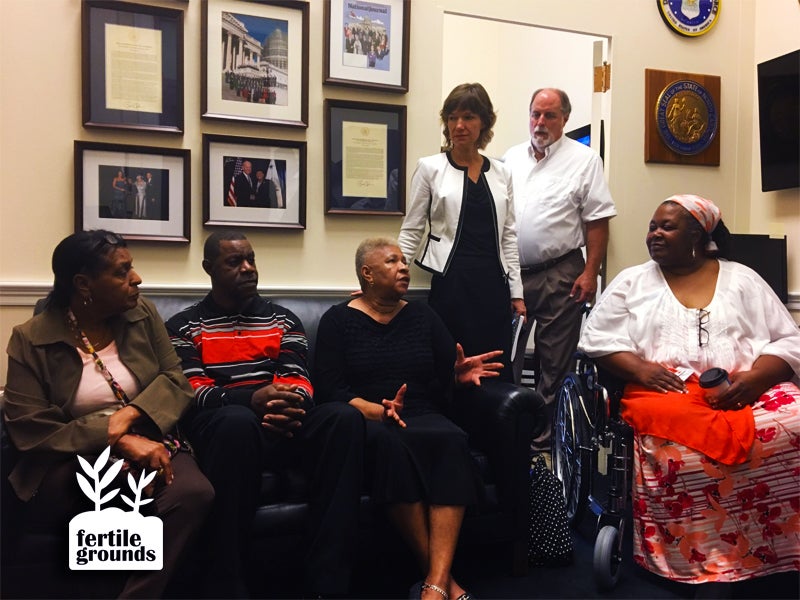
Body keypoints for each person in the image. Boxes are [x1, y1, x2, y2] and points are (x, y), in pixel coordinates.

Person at [579, 195, 800, 595]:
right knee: (680, 454)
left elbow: (788, 340)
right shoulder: (632, 281)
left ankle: (773, 552)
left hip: (743, 386)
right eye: (652, 227)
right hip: (665, 390)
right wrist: (641, 369)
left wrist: (753, 381)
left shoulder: (743, 279)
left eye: (667, 227)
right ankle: (707, 561)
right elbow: (595, 338)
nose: (655, 235)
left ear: (698, 234)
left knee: (793, 425)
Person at [3, 230, 214, 598]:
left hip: (153, 438)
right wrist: (113, 437)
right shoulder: (30, 337)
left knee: (194, 492)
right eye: (122, 271)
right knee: (114, 489)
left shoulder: (141, 312)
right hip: (68, 459)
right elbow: (29, 426)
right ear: (84, 284)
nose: (137, 279)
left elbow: (175, 381)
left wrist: (129, 416)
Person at [165, 231, 364, 598]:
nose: (247, 269)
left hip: (284, 423)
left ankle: (328, 581)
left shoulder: (283, 319)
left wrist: (287, 404)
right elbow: (192, 393)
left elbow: (298, 380)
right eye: (234, 262)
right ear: (209, 268)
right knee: (235, 424)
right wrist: (250, 401)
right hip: (228, 430)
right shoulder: (183, 326)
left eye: (251, 260)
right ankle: (227, 582)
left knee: (342, 419)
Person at [314, 238, 505, 600]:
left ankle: (434, 584)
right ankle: (444, 583)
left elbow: (443, 373)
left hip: (422, 413)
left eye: (404, 261)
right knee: (392, 445)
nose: (404, 268)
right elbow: (329, 389)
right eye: (392, 262)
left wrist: (457, 376)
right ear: (367, 274)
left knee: (451, 439)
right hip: (369, 420)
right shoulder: (338, 321)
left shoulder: (422, 315)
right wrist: (376, 410)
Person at [503, 87, 617, 450]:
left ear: (565, 119)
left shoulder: (584, 160)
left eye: (550, 115)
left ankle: (543, 439)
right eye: (536, 114)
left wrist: (591, 273)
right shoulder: (510, 158)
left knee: (553, 363)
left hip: (561, 272)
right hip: (514, 273)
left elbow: (597, 221)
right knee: (507, 354)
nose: (540, 122)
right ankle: (507, 427)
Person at [398, 82, 525, 383]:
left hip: (494, 285)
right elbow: (412, 229)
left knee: (495, 365)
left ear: (484, 122)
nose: (459, 125)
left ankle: (493, 428)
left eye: (468, 117)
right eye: (452, 117)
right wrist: (389, 276)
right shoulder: (430, 168)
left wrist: (517, 293)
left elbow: (508, 235)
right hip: (452, 282)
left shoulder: (502, 172)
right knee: (451, 363)